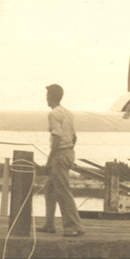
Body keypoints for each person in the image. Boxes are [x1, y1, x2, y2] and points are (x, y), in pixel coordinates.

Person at [38, 84, 85, 236]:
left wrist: (49, 160)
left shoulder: (53, 114)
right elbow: (74, 137)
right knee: (50, 187)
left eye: (47, 96)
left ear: (50, 97)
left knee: (63, 190)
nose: (46, 98)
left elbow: (57, 137)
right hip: (69, 151)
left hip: (60, 153)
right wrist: (69, 151)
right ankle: (49, 224)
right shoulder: (68, 113)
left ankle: (74, 226)